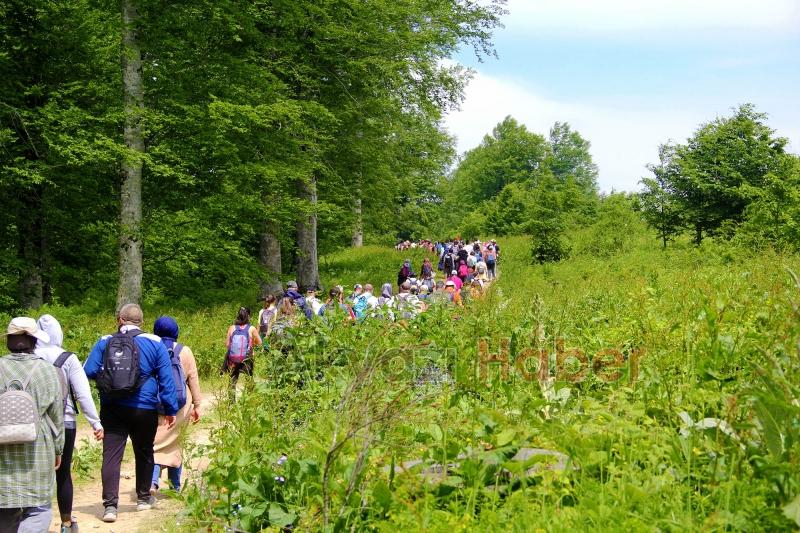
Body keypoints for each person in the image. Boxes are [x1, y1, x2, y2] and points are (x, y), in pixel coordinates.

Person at [83, 303, 178, 523]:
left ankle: (110, 507)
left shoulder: (105, 341)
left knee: (112, 455)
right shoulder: (155, 342)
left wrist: (110, 382)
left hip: (112, 406)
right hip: (144, 408)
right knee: (144, 451)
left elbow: (87, 370)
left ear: (120, 319)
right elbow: (166, 380)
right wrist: (170, 409)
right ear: (141, 322)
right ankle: (143, 499)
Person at [34, 314, 104, 533]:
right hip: (65, 422)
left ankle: (34, 523)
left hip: (34, 423)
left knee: (35, 472)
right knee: (63, 473)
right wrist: (96, 423)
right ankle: (66, 522)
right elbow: (83, 395)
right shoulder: (68, 358)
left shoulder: (29, 356)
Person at [0, 317, 64, 533]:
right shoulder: (48, 370)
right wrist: (58, 448)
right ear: (34, 341)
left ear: (8, 340)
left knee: (4, 505)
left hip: (2, 451)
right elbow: (57, 415)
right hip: (38, 445)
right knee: (38, 508)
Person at [151, 316, 201, 494]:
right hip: (181, 405)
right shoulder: (184, 350)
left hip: (156, 404)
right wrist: (197, 405)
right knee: (176, 443)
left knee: (155, 443)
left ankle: (152, 480)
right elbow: (193, 379)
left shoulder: (152, 347)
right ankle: (175, 486)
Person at [222, 307, 262, 389]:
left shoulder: (232, 328)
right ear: (248, 317)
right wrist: (251, 344)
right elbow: (260, 342)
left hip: (233, 358)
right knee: (249, 379)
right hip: (247, 358)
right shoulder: (252, 328)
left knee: (232, 380)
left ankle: (231, 401)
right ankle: (249, 398)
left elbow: (227, 344)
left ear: (238, 316)